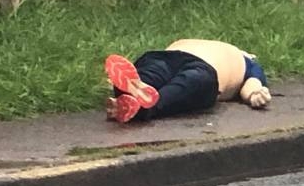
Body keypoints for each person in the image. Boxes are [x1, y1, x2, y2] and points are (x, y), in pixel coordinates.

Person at [104, 39, 272, 124]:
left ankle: (128, 92)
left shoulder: (216, 46)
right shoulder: (249, 62)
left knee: (152, 74)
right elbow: (253, 83)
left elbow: (252, 85)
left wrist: (254, 93)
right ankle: (142, 107)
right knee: (182, 88)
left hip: (163, 57)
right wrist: (255, 94)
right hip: (203, 69)